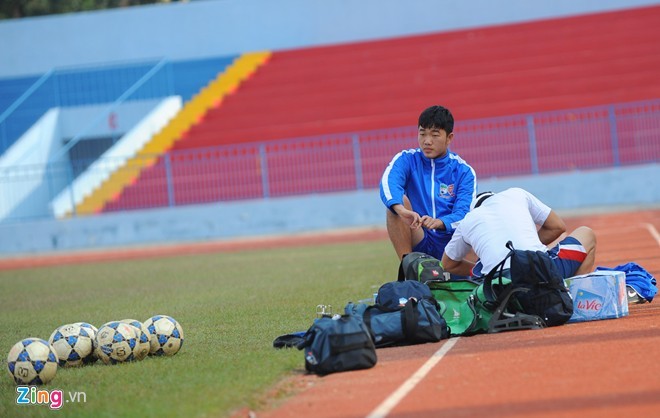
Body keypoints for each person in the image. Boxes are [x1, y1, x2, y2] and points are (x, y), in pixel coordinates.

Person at [380, 105, 477, 261]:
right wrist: (402, 211)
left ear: (449, 138)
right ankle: (409, 269)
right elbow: (389, 184)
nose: (427, 141)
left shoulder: (464, 171)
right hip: (420, 235)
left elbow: (464, 214)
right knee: (397, 205)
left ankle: (470, 276)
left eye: (435, 135)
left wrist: (440, 222)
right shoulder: (407, 159)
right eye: (422, 133)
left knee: (478, 225)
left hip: (452, 244)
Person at [441, 187, 597, 279]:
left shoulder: (467, 220)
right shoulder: (516, 193)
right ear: (494, 196)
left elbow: (447, 264)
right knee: (586, 233)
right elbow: (557, 227)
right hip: (541, 271)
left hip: (499, 287)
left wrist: (477, 271)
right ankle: (572, 298)